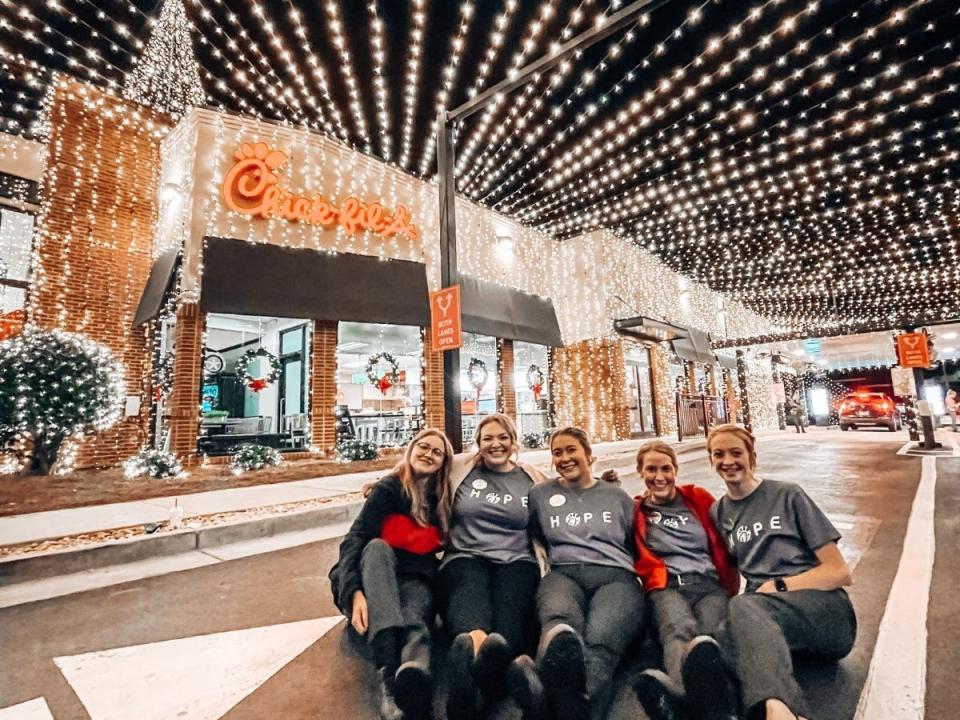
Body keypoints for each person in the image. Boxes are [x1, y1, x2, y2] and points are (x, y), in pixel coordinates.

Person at [686, 424, 856, 720]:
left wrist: (779, 586)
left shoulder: (787, 495)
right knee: (716, 642)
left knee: (741, 610)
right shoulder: (720, 512)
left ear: (752, 456)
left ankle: (784, 712)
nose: (728, 460)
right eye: (719, 454)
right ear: (711, 460)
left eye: (736, 452)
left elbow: (839, 572)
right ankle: (711, 709)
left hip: (826, 613)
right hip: (772, 621)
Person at [507, 427, 645, 720]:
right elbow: (535, 534)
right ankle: (569, 706)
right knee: (560, 630)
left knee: (600, 642)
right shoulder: (540, 494)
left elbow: (635, 541)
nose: (565, 458)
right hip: (564, 574)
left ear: (589, 455)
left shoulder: (617, 496)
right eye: (558, 452)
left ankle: (545, 701)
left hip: (615, 576)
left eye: (572, 450)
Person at [328, 429, 455, 720]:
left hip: (414, 576)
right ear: (411, 450)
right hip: (372, 575)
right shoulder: (388, 489)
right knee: (376, 546)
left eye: (437, 452)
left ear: (444, 463)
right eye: (423, 446)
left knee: (415, 615)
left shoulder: (440, 500)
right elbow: (354, 540)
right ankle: (387, 675)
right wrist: (355, 592)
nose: (428, 454)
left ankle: (415, 672)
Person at [439, 413, 549, 720]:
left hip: (517, 561)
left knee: (508, 630)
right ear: (478, 443)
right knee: (470, 613)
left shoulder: (532, 477)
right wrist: (380, 483)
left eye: (503, 437)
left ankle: (480, 684)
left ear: (514, 442)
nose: (495, 444)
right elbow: (418, 466)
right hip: (465, 556)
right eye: (488, 438)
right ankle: (473, 671)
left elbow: (568, 494)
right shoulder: (461, 468)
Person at [630, 440, 740, 720]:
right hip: (667, 587)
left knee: (712, 634)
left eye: (666, 468)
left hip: (708, 585)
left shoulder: (698, 499)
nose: (659, 476)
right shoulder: (636, 511)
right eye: (651, 469)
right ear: (640, 473)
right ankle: (684, 697)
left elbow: (733, 526)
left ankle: (721, 704)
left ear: (675, 470)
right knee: (677, 628)